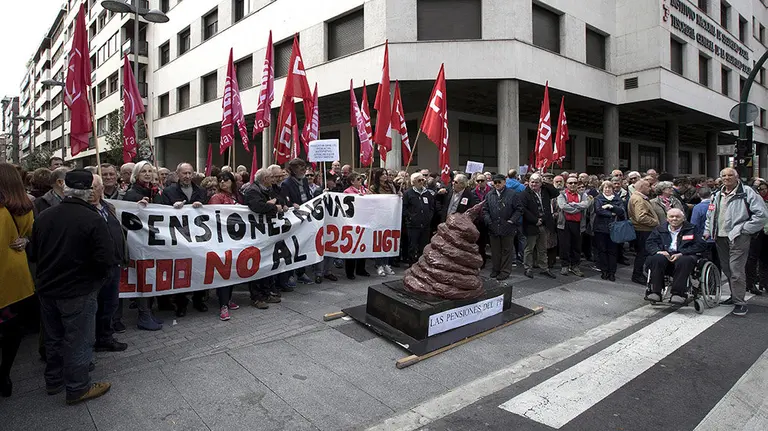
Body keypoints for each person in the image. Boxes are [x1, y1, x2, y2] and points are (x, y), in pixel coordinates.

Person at [28, 169, 113, 404]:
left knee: (53, 337)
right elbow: (105, 258)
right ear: (89, 192)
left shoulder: (44, 216)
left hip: (48, 289)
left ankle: (54, 380)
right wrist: (97, 280)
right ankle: (78, 387)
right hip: (78, 290)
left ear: (66, 189)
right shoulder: (92, 218)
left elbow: (33, 253)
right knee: (79, 339)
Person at [704, 168, 768, 316]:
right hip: (720, 237)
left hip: (738, 237)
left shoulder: (747, 192)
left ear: (736, 177)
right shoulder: (716, 194)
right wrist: (708, 230)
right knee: (727, 269)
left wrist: (744, 229)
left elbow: (761, 215)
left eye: (730, 175)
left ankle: (740, 302)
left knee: (736, 270)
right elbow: (710, 214)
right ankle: (734, 296)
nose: (727, 178)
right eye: (724, 175)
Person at [0, 163, 36, 397]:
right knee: (12, 330)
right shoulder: (24, 206)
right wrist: (25, 240)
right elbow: (31, 232)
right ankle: (5, 375)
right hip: (17, 278)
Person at [119, 161, 163, 331]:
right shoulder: (132, 194)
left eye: (149, 171)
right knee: (141, 278)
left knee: (150, 277)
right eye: (143, 171)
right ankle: (143, 314)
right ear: (136, 175)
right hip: (138, 244)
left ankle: (148, 312)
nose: (147, 174)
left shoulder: (155, 192)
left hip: (151, 242)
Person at [160, 162, 208, 317]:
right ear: (177, 174)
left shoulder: (201, 191)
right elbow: (160, 211)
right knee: (181, 271)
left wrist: (202, 207)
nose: (187, 176)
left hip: (198, 237)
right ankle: (181, 303)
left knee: (199, 268)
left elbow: (210, 213)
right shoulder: (169, 192)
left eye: (189, 173)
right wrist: (172, 208)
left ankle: (199, 299)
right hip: (180, 238)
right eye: (184, 173)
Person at [89, 175, 128, 352]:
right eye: (88, 188)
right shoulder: (84, 211)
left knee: (110, 303)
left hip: (114, 263)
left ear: (101, 189)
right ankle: (92, 339)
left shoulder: (109, 207)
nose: (91, 191)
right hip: (95, 267)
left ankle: (105, 337)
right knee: (95, 305)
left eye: (95, 187)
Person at [645, 208, 707, 304]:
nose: (674, 219)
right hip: (665, 255)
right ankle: (655, 292)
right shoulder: (659, 229)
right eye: (672, 216)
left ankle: (678, 294)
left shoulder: (692, 229)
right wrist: (659, 251)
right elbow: (650, 243)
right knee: (656, 258)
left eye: (677, 217)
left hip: (685, 255)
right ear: (667, 219)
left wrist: (682, 253)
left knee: (684, 260)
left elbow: (701, 245)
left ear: (683, 218)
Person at [243, 166, 285, 309]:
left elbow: (280, 199)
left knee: (267, 262)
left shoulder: (268, 189)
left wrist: (274, 203)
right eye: (271, 177)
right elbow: (258, 207)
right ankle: (256, 297)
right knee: (256, 264)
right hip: (256, 232)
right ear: (265, 179)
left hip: (266, 232)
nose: (273, 180)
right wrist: (273, 207)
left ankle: (266, 293)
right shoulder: (252, 191)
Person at [207, 172, 243, 320]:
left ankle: (228, 299)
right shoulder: (217, 197)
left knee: (232, 270)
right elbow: (212, 217)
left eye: (226, 179)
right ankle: (223, 305)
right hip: (222, 240)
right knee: (224, 272)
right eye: (220, 180)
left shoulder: (237, 196)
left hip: (235, 239)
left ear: (232, 182)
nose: (222, 182)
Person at [483, 174, 520, 280]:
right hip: (493, 227)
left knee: (506, 250)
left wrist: (511, 221)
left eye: (499, 182)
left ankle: (505, 271)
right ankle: (496, 269)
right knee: (495, 251)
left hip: (508, 227)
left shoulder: (512, 194)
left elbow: (519, 209)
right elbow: (485, 210)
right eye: (495, 182)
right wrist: (489, 221)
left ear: (504, 182)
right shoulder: (489, 195)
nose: (497, 184)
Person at [520, 173, 558, 279]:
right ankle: (528, 268)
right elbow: (524, 210)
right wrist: (535, 220)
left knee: (543, 248)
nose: (534, 184)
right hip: (531, 224)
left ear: (541, 183)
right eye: (532, 182)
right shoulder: (524, 194)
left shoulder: (545, 191)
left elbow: (556, 192)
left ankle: (544, 268)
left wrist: (546, 183)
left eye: (536, 182)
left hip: (544, 223)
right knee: (529, 249)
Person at [556, 176, 591, 276]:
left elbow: (586, 204)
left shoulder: (582, 194)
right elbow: (563, 206)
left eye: (575, 183)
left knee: (577, 246)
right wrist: (578, 208)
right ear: (566, 184)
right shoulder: (562, 194)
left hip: (578, 224)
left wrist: (573, 204)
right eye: (570, 183)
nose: (573, 185)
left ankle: (575, 266)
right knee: (564, 245)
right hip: (565, 224)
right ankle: (565, 265)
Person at [629, 179, 660, 284]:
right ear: (641, 187)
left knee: (642, 253)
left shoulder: (639, 197)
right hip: (643, 230)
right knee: (642, 253)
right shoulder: (638, 199)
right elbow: (641, 217)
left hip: (643, 229)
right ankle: (637, 275)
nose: (650, 188)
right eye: (648, 186)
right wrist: (655, 222)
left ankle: (638, 274)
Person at [593, 180, 625, 281]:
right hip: (600, 228)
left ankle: (612, 272)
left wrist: (611, 206)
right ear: (602, 189)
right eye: (605, 188)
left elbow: (621, 211)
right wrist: (611, 214)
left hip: (614, 229)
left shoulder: (617, 198)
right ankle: (604, 271)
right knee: (602, 250)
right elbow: (598, 210)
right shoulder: (598, 198)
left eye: (609, 188)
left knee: (613, 251)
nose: (607, 189)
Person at [369, 168, 397, 276]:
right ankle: (379, 264)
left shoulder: (390, 186)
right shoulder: (374, 187)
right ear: (378, 176)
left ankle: (386, 264)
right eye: (383, 174)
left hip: (389, 217)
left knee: (387, 241)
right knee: (379, 241)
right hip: (378, 216)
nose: (385, 176)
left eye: (386, 174)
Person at [403, 172, 435, 264]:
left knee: (423, 246)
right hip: (413, 225)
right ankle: (412, 264)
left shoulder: (427, 193)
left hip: (425, 225)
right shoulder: (408, 193)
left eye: (422, 180)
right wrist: (410, 218)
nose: (421, 182)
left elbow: (432, 207)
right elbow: (404, 208)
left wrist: (429, 217)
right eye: (419, 180)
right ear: (413, 182)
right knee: (412, 247)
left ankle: (422, 265)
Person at [343, 172, 370, 279]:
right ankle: (350, 271)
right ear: (352, 181)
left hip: (364, 221)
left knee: (363, 246)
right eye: (358, 179)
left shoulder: (365, 190)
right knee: (352, 246)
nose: (360, 180)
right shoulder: (347, 191)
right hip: (353, 222)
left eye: (361, 179)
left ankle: (361, 269)